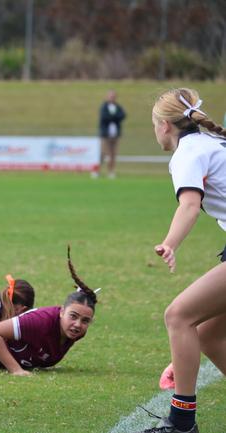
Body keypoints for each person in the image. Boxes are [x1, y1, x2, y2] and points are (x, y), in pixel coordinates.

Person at [136, 88, 226, 433]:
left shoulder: (188, 152)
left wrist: (170, 243)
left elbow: (189, 204)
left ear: (163, 125)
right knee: (209, 335)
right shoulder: (210, 142)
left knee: (178, 316)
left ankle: (182, 423)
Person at [0, 247, 97, 375]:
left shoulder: (76, 332)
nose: (77, 324)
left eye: (85, 320)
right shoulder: (40, 320)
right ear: (62, 312)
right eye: (73, 316)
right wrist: (16, 370)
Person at [93, 89, 126, 179]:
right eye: (110, 96)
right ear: (107, 97)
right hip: (105, 135)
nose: (112, 98)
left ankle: (111, 172)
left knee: (113, 154)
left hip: (115, 135)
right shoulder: (104, 107)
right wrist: (115, 117)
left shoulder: (118, 107)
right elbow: (105, 117)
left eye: (113, 96)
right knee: (103, 153)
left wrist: (113, 117)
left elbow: (123, 115)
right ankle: (97, 170)